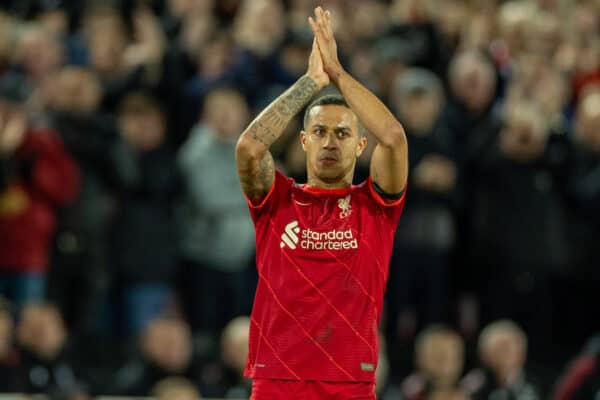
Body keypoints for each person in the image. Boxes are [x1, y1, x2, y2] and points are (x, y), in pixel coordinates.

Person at [235, 7, 408, 400]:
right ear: (304, 141)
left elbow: (394, 138)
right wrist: (312, 80)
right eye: (320, 131)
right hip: (277, 376)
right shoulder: (275, 201)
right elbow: (249, 147)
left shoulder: (376, 207)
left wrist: (338, 73)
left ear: (360, 145)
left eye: (343, 133)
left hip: (349, 380)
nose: (330, 142)